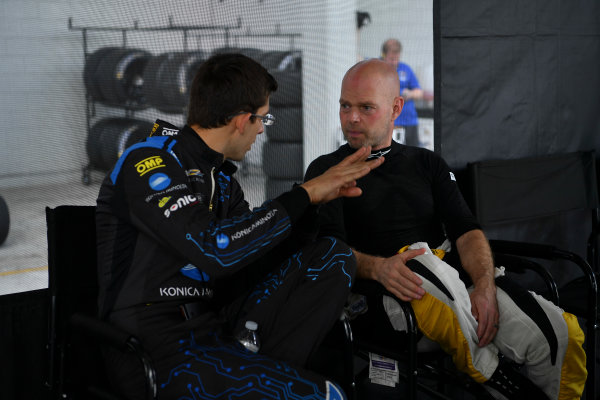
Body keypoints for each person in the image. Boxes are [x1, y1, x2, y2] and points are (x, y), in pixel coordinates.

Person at [95, 53, 384, 400]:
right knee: (323, 396)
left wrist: (314, 206)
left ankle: (258, 366)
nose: (262, 129)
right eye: (263, 119)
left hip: (215, 330)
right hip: (153, 348)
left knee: (334, 257)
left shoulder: (221, 179)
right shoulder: (148, 159)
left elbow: (252, 260)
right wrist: (303, 195)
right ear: (243, 120)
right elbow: (215, 250)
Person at [304, 59, 587, 400]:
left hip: (454, 283)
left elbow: (466, 230)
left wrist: (483, 284)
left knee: (560, 336)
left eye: (366, 108)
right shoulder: (326, 171)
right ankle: (497, 379)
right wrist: (378, 267)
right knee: (422, 263)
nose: (351, 117)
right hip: (382, 298)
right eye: (345, 106)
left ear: (396, 108)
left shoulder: (427, 163)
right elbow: (328, 250)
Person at [381, 38, 424, 147]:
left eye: (397, 58)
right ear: (384, 55)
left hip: (409, 122)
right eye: (391, 59)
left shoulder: (406, 69)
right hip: (388, 123)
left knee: (413, 155)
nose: (395, 62)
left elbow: (419, 92)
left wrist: (409, 94)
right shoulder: (378, 69)